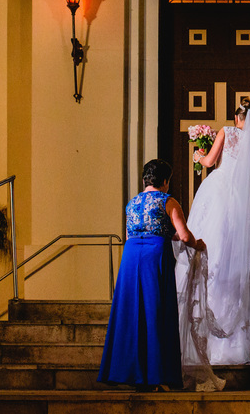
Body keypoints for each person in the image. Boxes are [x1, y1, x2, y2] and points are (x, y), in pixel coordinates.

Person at [174, 98, 250, 390]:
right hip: (240, 202)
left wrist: (199, 154)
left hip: (218, 195)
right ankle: (240, 339)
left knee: (212, 254)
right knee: (236, 259)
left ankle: (204, 335)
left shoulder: (227, 132)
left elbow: (208, 162)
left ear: (236, 116)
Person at [97, 159, 203, 391]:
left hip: (131, 256)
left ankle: (131, 374)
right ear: (165, 181)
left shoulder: (132, 203)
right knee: (156, 312)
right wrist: (199, 245)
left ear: (146, 180)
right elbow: (184, 236)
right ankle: (155, 376)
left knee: (131, 312)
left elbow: (130, 235)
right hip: (155, 257)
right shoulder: (168, 200)